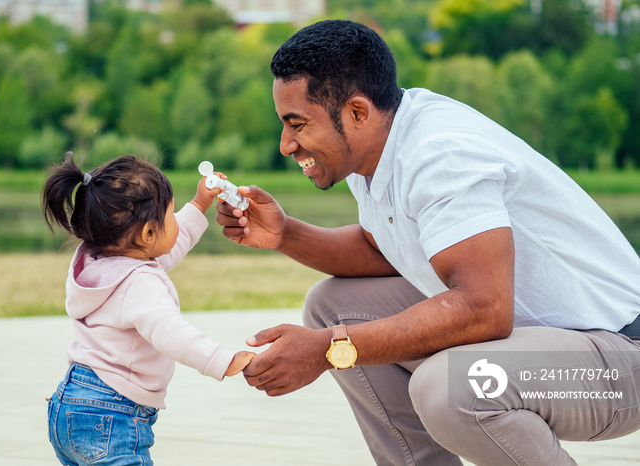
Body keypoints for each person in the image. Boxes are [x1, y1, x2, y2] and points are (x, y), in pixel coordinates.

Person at [214, 19, 640, 466]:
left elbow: (484, 309)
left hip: (615, 362)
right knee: (333, 305)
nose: (285, 144)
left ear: (357, 112)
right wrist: (286, 234)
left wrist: (327, 348)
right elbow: (385, 252)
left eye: (297, 124)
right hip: (548, 349)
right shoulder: (379, 150)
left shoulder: (438, 153)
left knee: (450, 386)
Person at [43, 152, 255, 465]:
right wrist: (220, 360)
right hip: (111, 415)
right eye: (170, 216)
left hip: (70, 402)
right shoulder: (139, 283)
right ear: (148, 234)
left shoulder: (99, 263)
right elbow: (170, 332)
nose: (175, 223)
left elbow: (169, 245)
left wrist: (198, 205)